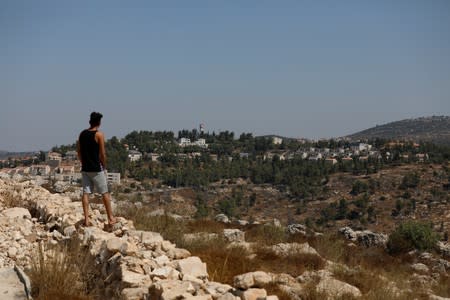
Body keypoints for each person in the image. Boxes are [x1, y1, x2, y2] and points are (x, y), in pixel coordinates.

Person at [77, 112, 116, 227]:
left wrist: (82, 162)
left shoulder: (82, 134)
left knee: (86, 193)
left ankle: (86, 220)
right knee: (105, 193)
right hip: (96, 168)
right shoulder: (99, 135)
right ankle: (110, 218)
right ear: (99, 122)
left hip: (85, 168)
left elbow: (79, 151)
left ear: (90, 121)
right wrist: (104, 165)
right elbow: (102, 153)